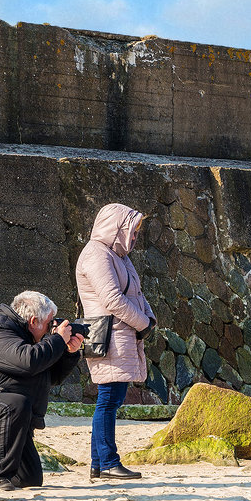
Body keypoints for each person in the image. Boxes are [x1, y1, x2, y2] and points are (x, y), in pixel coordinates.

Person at [0, 291, 85, 491]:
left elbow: (51, 377)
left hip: (9, 414)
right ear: (33, 321)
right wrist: (56, 340)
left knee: (27, 477)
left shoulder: (30, 337)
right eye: (49, 324)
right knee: (16, 404)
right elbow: (28, 362)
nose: (51, 329)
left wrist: (68, 353)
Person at [76, 203, 156, 481]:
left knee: (111, 399)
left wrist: (149, 316)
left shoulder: (118, 255)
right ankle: (108, 462)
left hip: (120, 333)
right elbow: (111, 300)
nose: (134, 237)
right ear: (117, 228)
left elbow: (136, 293)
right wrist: (143, 322)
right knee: (109, 400)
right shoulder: (96, 254)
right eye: (132, 231)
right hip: (108, 334)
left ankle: (99, 463)